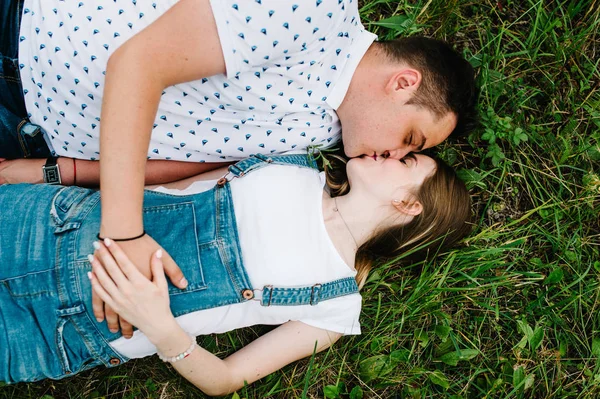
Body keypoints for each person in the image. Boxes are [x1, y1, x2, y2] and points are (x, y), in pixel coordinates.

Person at [0, 0, 478, 336]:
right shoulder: (318, 11)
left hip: (26, 134)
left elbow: (181, 164)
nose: (394, 155)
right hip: (21, 46)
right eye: (410, 139)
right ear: (403, 83)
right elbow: (138, 62)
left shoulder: (319, 137)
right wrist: (124, 235)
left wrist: (51, 170)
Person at [0, 149, 471, 395]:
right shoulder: (291, 167)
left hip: (56, 329)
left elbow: (224, 380)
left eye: (405, 162)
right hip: (49, 221)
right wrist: (46, 175)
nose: (388, 153)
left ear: (408, 205)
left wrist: (161, 326)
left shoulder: (336, 305)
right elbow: (161, 186)